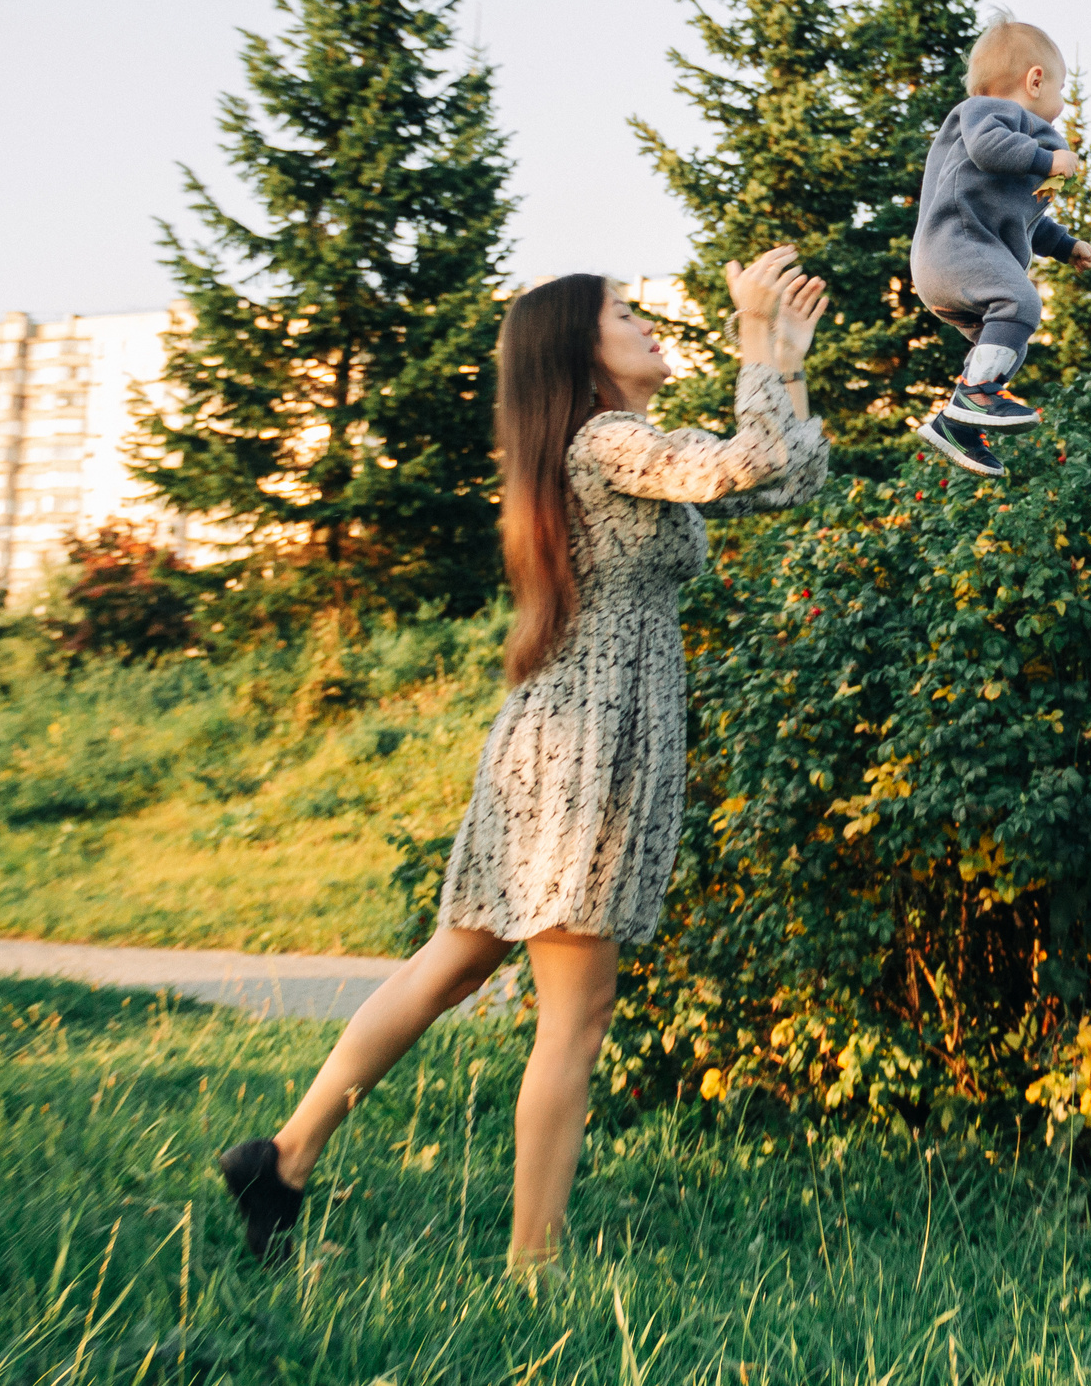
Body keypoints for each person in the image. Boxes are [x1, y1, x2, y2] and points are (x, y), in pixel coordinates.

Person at [216, 250, 831, 1277]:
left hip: (559, 734)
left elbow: (785, 482)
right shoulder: (604, 442)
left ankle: (281, 1160)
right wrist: (751, 337)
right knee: (575, 1014)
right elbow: (746, 464)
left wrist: (780, 354)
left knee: (456, 958)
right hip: (585, 750)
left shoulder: (613, 445)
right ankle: (532, 1269)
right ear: (578, 351)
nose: (646, 324)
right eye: (625, 314)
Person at [908, 13, 1091, 479]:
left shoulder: (1011, 145)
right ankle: (974, 395)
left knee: (1010, 340)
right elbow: (988, 148)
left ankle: (958, 427)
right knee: (1021, 302)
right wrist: (1047, 157)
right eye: (1059, 90)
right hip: (956, 248)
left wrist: (1067, 245)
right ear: (1035, 80)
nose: (1060, 104)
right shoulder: (985, 112)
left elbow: (1025, 220)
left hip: (958, 262)